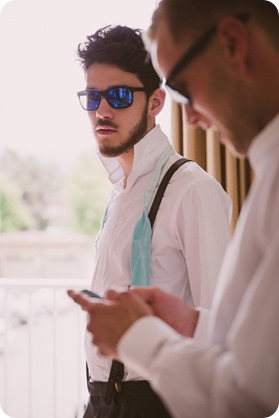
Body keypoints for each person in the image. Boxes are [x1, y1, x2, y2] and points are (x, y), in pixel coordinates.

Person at [68, 2, 279, 417]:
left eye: (183, 86)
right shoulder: (120, 194)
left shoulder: (194, 190)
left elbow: (245, 391)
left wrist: (136, 337)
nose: (193, 117)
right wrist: (193, 324)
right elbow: (239, 343)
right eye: (93, 97)